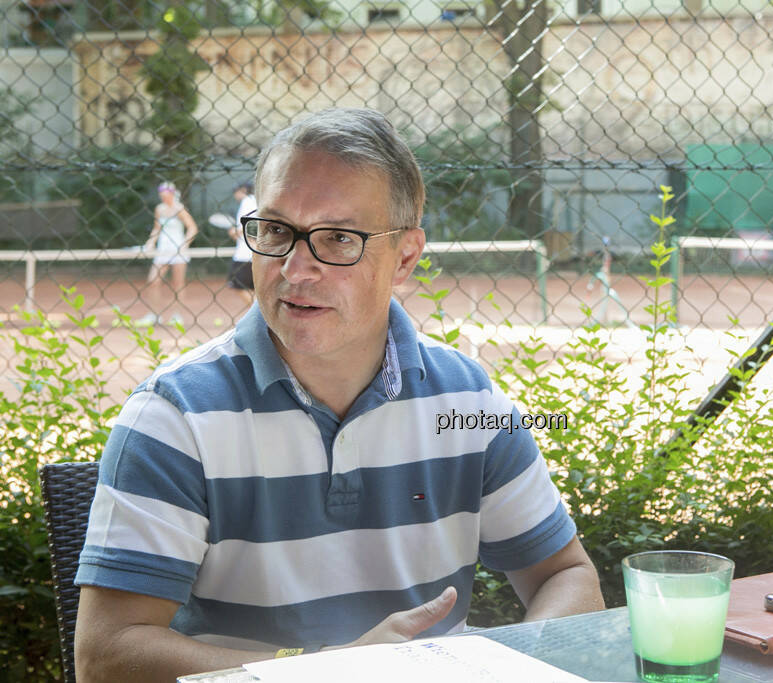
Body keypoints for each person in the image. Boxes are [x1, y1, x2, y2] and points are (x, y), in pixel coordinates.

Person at [74, 107, 604, 682]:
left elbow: (564, 575)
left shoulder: (470, 403)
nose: (295, 269)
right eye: (276, 231)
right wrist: (321, 672)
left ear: (405, 256)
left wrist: (520, 669)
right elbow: (107, 655)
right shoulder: (176, 416)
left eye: (338, 238)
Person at [139, 181, 199, 326]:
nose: (164, 198)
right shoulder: (159, 209)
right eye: (162, 195)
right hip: (162, 250)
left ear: (172, 194)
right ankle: (155, 315)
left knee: (178, 284)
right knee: (153, 281)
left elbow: (192, 228)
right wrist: (150, 242)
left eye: (166, 195)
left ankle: (177, 316)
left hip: (178, 250)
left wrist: (184, 245)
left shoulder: (179, 208)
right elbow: (157, 228)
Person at [226, 181, 257, 305]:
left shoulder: (248, 201)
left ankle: (259, 315)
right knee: (253, 289)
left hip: (245, 254)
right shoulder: (256, 200)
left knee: (237, 285)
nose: (235, 195)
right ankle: (260, 316)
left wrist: (235, 231)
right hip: (254, 252)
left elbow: (250, 225)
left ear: (243, 190)